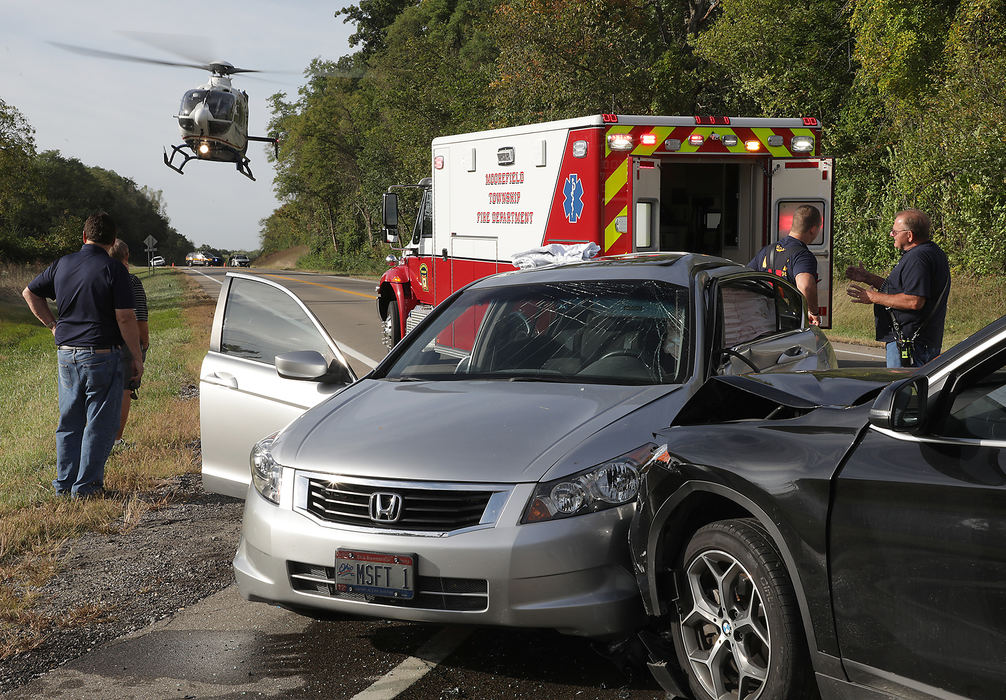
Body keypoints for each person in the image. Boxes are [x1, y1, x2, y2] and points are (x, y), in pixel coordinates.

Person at [21, 212, 144, 498]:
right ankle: (87, 488)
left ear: (84, 236)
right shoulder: (115, 270)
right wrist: (136, 356)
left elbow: (30, 293)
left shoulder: (62, 264)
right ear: (113, 240)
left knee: (69, 422)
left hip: (66, 355)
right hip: (102, 355)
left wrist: (53, 325)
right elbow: (125, 317)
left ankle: (64, 486)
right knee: (100, 423)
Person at [846, 209, 950, 368]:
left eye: (895, 231)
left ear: (909, 235)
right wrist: (868, 278)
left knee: (901, 391)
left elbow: (914, 300)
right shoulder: (928, 252)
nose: (891, 234)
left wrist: (873, 297)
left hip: (912, 344)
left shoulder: (918, 258)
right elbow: (898, 289)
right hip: (917, 342)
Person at [748, 204, 822, 325]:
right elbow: (806, 286)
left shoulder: (767, 250)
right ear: (813, 229)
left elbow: (748, 276)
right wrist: (813, 312)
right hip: (788, 323)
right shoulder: (803, 255)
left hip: (762, 321)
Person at [109, 239, 149, 444]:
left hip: (104, 342)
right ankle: (116, 439)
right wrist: (144, 342)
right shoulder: (131, 281)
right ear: (126, 256)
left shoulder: (101, 277)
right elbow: (139, 316)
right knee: (125, 388)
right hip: (128, 340)